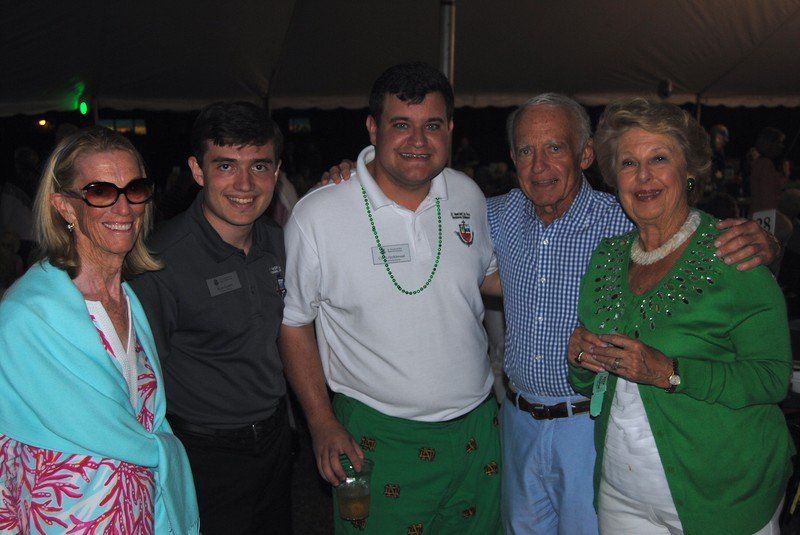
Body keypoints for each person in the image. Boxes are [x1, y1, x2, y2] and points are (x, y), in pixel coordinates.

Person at [323, 93, 778, 534]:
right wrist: (355, 171)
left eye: (554, 148)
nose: (539, 166)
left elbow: (689, 232)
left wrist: (765, 241)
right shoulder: (488, 216)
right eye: (526, 151)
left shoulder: (624, 219)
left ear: (583, 154)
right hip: (518, 420)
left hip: (590, 422)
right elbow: (416, 209)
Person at [281, 62, 502, 534]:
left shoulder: (468, 195)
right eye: (401, 125)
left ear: (450, 130)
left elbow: (488, 278)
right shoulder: (318, 214)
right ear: (373, 128)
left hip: (476, 432)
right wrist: (320, 421)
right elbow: (295, 324)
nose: (418, 141)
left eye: (432, 126)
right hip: (379, 437)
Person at [567, 97, 793, 535]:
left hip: (722, 494)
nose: (644, 176)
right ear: (615, 179)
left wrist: (671, 372)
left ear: (688, 171)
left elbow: (771, 377)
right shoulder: (606, 258)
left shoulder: (732, 252)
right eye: (629, 163)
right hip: (623, 495)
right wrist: (580, 358)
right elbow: (591, 379)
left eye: (659, 158)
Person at [0, 127, 198, 533]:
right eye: (101, 192)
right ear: (65, 207)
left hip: (138, 512)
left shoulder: (129, 299)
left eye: (135, 188)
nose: (124, 208)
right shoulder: (27, 316)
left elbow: (143, 423)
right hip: (65, 518)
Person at [130, 102, 291, 534]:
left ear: (276, 173)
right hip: (204, 452)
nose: (244, 184)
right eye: (225, 165)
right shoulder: (160, 262)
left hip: (277, 439)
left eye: (259, 166)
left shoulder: (281, 242)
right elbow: (140, 381)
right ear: (197, 171)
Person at [750, 127, 788, 213]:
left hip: (760, 212)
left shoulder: (760, 162)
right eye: (779, 143)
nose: (782, 146)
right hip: (765, 215)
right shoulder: (765, 164)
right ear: (771, 144)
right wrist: (786, 174)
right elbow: (768, 194)